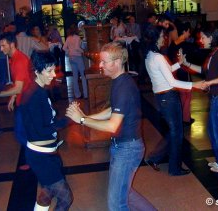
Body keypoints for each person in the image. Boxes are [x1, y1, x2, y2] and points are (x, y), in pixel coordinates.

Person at [66, 41, 156, 211]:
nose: (100, 65)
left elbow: (112, 125)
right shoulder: (119, 80)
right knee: (126, 192)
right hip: (125, 146)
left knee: (116, 204)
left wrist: (83, 121)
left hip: (127, 150)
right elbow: (111, 110)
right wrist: (86, 116)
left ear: (116, 63)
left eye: (104, 62)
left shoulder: (123, 86)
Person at [143, 26, 204, 176]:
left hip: (162, 97)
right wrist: (194, 85)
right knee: (177, 133)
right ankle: (174, 168)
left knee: (175, 131)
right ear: (157, 38)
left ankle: (155, 158)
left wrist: (180, 63)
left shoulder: (150, 55)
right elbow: (172, 82)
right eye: (162, 35)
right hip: (168, 97)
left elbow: (166, 70)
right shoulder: (157, 57)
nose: (164, 38)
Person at [21, 51, 73, 211]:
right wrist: (69, 119)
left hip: (46, 153)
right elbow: (42, 130)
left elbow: (46, 122)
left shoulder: (39, 90)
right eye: (49, 71)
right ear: (37, 71)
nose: (53, 74)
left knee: (46, 193)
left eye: (54, 69)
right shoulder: (35, 94)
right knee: (66, 199)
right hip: (41, 156)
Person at [180, 28, 218, 173]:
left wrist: (209, 83)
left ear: (211, 38)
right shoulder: (213, 54)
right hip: (216, 97)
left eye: (203, 37)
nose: (200, 40)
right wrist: (186, 63)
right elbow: (204, 71)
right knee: (213, 131)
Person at [0, 32, 33, 170]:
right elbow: (20, 83)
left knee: (20, 133)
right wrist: (12, 98)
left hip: (26, 102)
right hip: (23, 100)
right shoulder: (14, 58)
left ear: (12, 44)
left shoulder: (19, 61)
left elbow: (19, 88)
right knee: (24, 133)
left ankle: (37, 157)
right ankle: (33, 159)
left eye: (3, 45)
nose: (1, 49)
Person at [62, 26, 88, 99]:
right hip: (78, 57)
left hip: (71, 58)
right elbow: (77, 48)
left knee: (75, 76)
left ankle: (77, 95)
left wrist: (69, 52)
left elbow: (64, 48)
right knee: (83, 75)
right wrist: (83, 52)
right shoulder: (77, 37)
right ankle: (86, 94)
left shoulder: (68, 38)